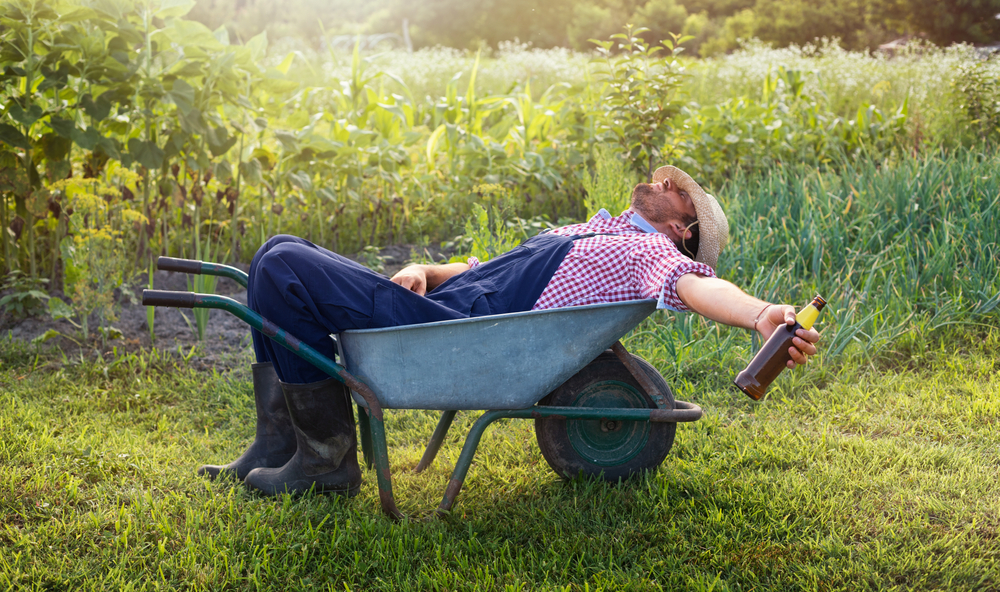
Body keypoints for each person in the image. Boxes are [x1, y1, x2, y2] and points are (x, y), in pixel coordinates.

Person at [198, 165, 821, 497]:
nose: (663, 182)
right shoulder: (593, 230)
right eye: (670, 180)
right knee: (276, 251)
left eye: (675, 192)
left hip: (453, 332)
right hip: (445, 310)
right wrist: (428, 269)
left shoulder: (647, 254)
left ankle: (327, 464)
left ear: (681, 230)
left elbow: (698, 286)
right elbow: (494, 268)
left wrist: (761, 312)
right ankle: (280, 447)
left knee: (282, 265)